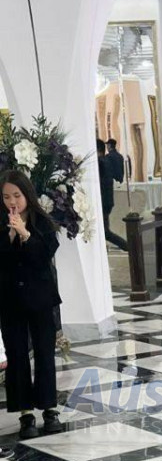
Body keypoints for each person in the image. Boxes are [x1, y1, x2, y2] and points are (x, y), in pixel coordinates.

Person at [0, 169, 63, 437]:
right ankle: (25, 413)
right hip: (10, 300)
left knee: (45, 353)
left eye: (16, 195)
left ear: (27, 194)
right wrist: (9, 238)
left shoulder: (43, 222)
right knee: (16, 355)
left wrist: (25, 235)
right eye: (6, 197)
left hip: (40, 297)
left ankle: (49, 409)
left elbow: (44, 256)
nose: (12, 202)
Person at [97, 138, 128, 252]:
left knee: (105, 232)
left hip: (103, 201)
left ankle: (128, 246)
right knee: (103, 231)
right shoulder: (107, 160)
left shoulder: (100, 163)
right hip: (107, 201)